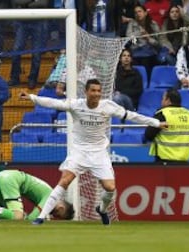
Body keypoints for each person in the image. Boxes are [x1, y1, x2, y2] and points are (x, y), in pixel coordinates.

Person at [20, 78, 168, 225]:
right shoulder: (77, 105)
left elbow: (132, 115)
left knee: (110, 188)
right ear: (86, 92)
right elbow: (54, 103)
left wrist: (155, 123)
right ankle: (41, 217)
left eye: (98, 91)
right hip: (79, 151)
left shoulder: (108, 106)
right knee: (65, 181)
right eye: (93, 91)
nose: (96, 94)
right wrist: (32, 97)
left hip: (99, 153)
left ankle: (102, 210)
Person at [0, 169, 75, 221]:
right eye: (58, 216)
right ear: (61, 208)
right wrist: (26, 217)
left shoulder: (50, 192)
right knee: (18, 217)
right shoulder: (52, 199)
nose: (54, 217)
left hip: (3, 175)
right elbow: (31, 218)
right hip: (11, 180)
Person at [144, 88, 189, 163]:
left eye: (163, 98)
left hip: (164, 162)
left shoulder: (162, 114)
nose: (161, 101)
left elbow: (148, 135)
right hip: (184, 162)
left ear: (168, 100)